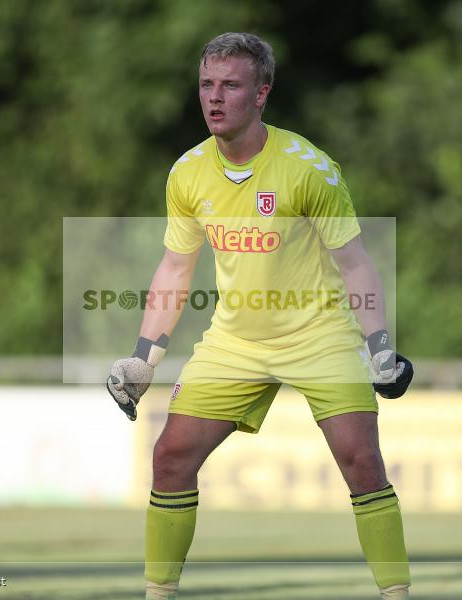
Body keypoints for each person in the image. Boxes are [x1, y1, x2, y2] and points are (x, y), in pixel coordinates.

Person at [107, 32, 414, 600]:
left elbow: (354, 263)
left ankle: (395, 595)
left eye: (230, 85)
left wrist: (379, 346)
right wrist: (144, 359)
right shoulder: (187, 173)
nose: (214, 97)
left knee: (361, 461)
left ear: (261, 94)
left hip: (319, 334)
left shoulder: (309, 169)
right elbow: (175, 269)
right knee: (170, 457)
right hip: (236, 340)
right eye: (206, 84)